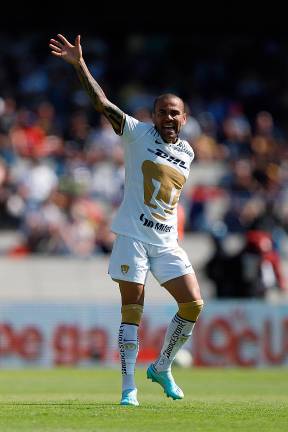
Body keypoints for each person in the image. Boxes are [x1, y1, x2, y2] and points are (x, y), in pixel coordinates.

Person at [49, 34, 204, 406]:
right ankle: (127, 388)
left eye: (175, 112)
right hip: (132, 237)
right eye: (162, 111)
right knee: (132, 309)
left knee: (194, 304)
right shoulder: (136, 133)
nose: (168, 117)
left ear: (184, 117)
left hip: (167, 241)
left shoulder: (188, 152)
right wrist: (79, 65)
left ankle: (162, 366)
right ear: (153, 116)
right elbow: (101, 102)